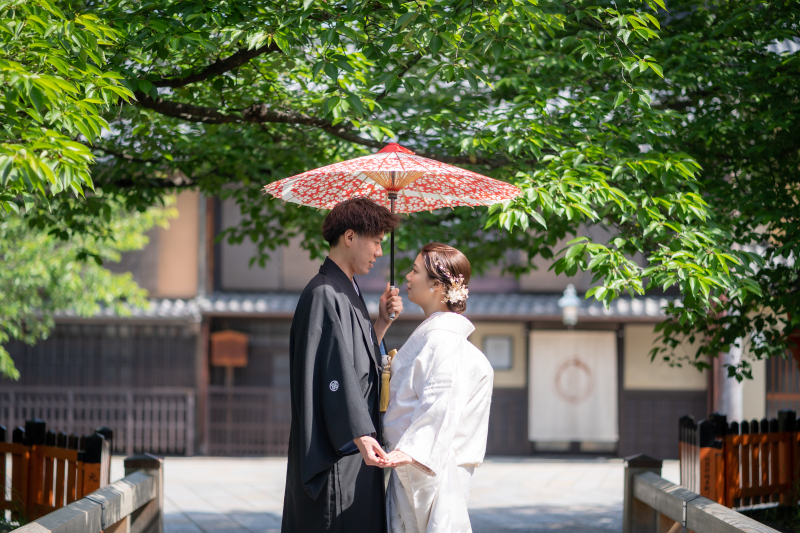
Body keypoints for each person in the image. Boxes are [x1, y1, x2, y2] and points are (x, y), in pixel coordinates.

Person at [281, 197, 403, 533]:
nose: (379, 252)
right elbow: (329, 373)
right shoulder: (323, 293)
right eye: (376, 242)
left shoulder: (345, 289)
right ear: (350, 237)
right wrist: (360, 433)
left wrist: (380, 324)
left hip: (356, 447)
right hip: (340, 449)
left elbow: (355, 363)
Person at [383, 242, 494, 533]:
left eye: (415, 271)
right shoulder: (440, 335)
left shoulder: (442, 339)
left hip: (427, 464)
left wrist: (413, 450)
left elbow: (441, 399)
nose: (407, 277)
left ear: (436, 285)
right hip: (419, 460)